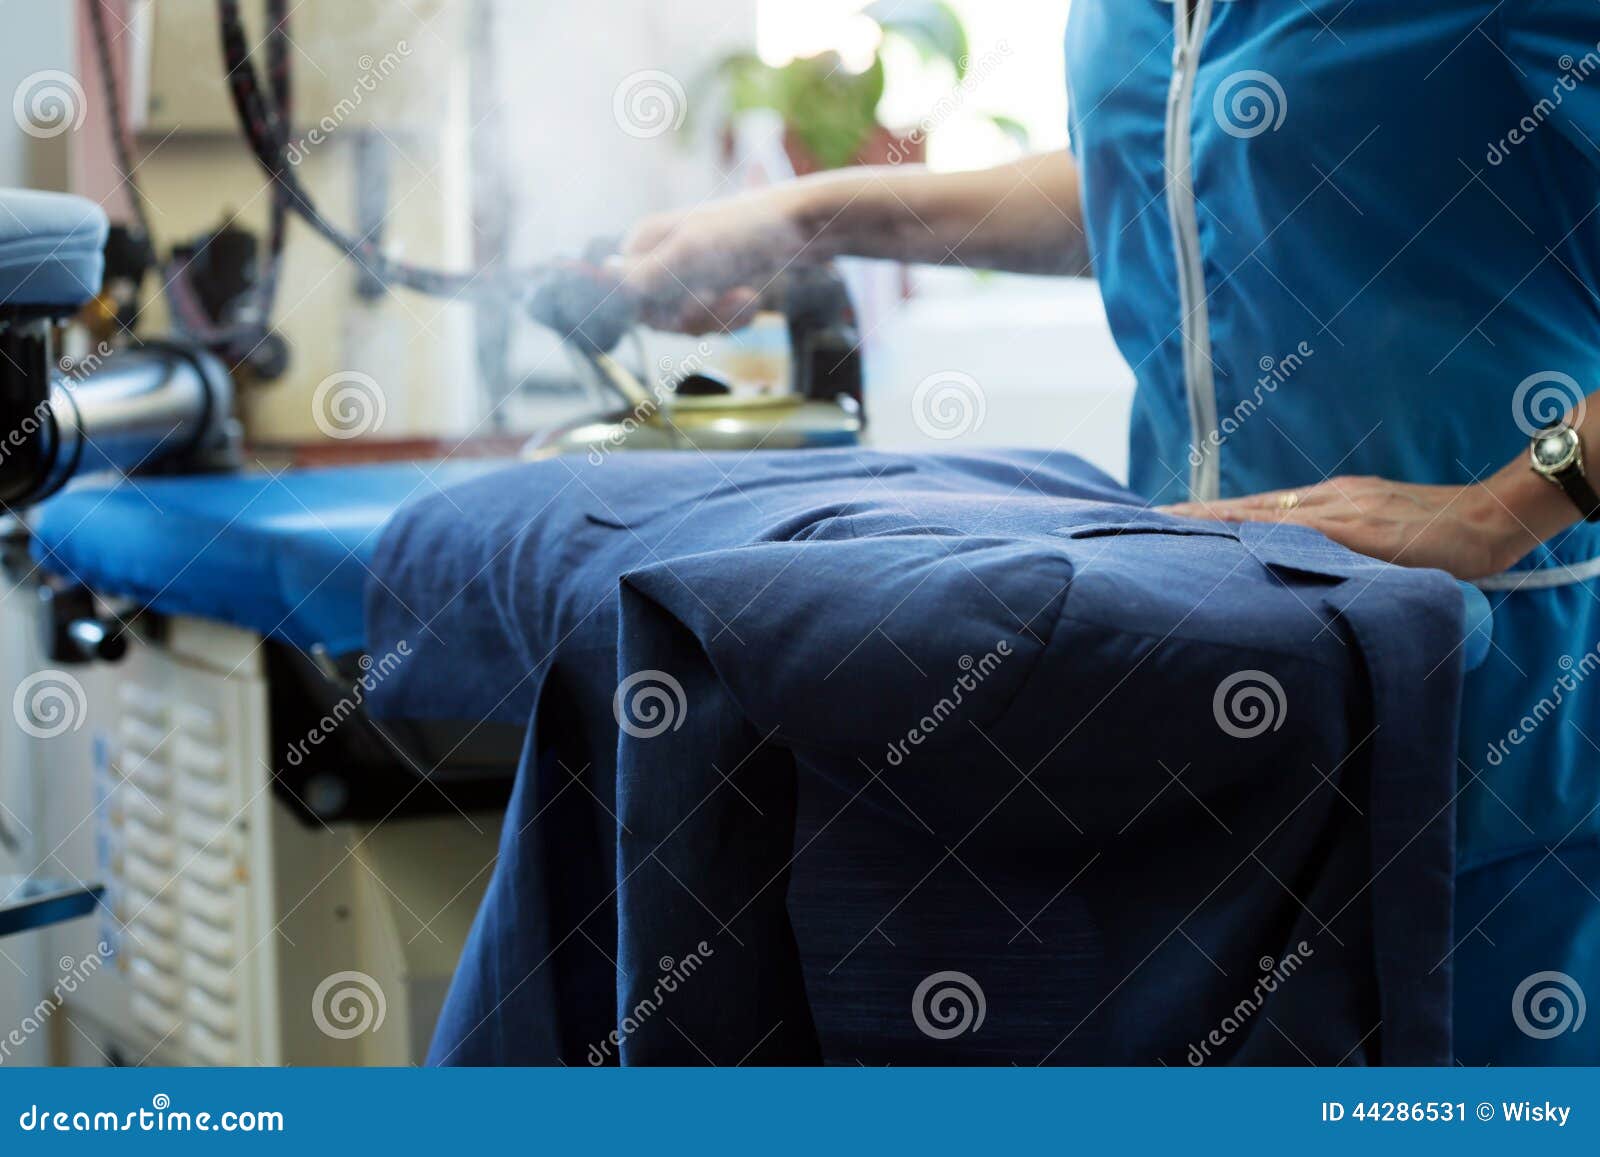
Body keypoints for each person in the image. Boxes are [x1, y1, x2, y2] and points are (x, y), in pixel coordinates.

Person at [618, 1, 1600, 1064]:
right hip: (1219, 669)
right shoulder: (1121, 16)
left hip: (1505, 697)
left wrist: (1501, 507)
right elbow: (1156, 188)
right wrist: (804, 216)